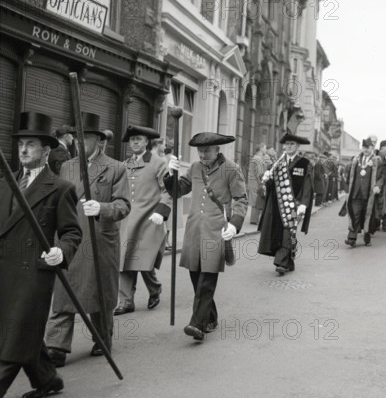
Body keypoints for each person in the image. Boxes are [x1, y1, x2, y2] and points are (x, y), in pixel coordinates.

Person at [0, 112, 81, 398]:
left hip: (34, 272)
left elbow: (72, 232)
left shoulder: (60, 189)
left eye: (31, 144)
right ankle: (47, 378)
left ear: (46, 151)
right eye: (21, 144)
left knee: (16, 332)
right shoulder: (5, 183)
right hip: (4, 270)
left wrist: (62, 251)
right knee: (22, 331)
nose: (23, 150)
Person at [45, 113, 131, 366]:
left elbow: (123, 205)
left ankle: (102, 338)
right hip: (71, 236)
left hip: (99, 239)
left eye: (86, 138)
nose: (79, 143)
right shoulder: (66, 166)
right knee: (64, 290)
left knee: (100, 294)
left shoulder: (116, 167)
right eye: (77, 138)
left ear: (99, 141)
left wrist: (103, 208)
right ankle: (56, 345)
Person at [165, 132, 247, 341]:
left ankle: (197, 324)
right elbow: (177, 191)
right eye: (200, 151)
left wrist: (235, 225)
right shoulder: (194, 168)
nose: (202, 155)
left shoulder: (231, 169)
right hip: (194, 230)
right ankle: (210, 317)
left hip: (216, 230)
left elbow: (241, 199)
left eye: (207, 151)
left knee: (207, 280)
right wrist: (170, 174)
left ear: (217, 149)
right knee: (195, 277)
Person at [115, 125, 172, 315]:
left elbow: (168, 191)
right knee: (124, 259)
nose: (135, 142)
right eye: (132, 140)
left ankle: (155, 289)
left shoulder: (158, 162)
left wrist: (161, 212)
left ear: (147, 142)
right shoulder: (124, 165)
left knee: (144, 259)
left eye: (139, 139)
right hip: (127, 220)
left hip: (150, 219)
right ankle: (125, 301)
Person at [257, 133, 314, 275]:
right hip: (277, 204)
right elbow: (269, 187)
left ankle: (281, 262)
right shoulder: (277, 163)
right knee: (279, 231)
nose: (289, 146)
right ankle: (289, 261)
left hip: (295, 204)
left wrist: (304, 204)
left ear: (298, 146)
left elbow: (308, 185)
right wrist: (266, 178)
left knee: (289, 230)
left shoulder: (304, 163)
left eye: (292, 144)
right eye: (287, 144)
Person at [344, 138, 382, 247]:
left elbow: (381, 177)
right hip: (356, 194)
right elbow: (349, 177)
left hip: (368, 195)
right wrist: (347, 190)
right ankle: (352, 238)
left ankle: (367, 236)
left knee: (367, 216)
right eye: (364, 147)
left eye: (368, 147)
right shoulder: (356, 160)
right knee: (354, 214)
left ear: (372, 148)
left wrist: (377, 186)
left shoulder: (377, 161)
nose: (365, 149)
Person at [248, 143, 267, 225]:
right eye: (265, 148)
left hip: (253, 182)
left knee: (255, 201)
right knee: (257, 201)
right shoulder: (258, 159)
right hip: (256, 183)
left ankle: (254, 219)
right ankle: (254, 220)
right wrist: (262, 183)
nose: (265, 150)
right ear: (261, 148)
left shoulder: (255, 158)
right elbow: (259, 173)